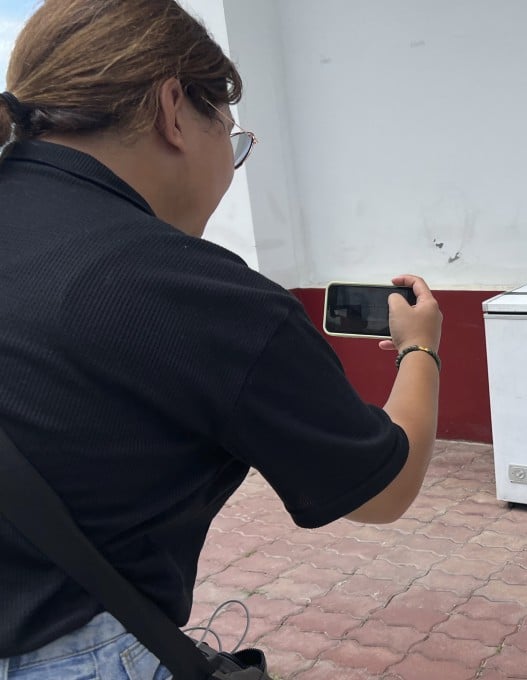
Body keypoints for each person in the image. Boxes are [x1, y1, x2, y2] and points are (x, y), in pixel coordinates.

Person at [0, 1, 443, 677]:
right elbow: (381, 488)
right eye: (233, 139)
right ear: (174, 109)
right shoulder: (184, 286)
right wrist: (421, 348)